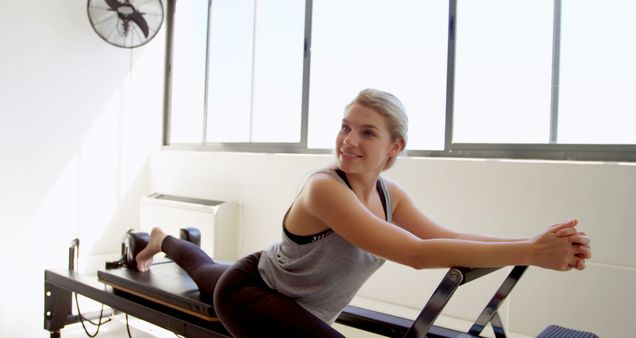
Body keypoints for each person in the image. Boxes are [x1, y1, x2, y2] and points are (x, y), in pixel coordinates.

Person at [135, 88, 591, 338]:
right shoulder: (324, 189)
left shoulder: (392, 196)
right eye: (345, 127)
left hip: (275, 278)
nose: (348, 141)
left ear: (394, 147)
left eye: (366, 133)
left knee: (206, 267)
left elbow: (443, 237)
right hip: (254, 291)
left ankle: (164, 239)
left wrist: (535, 244)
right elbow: (415, 254)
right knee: (216, 276)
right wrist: (531, 251)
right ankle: (168, 242)